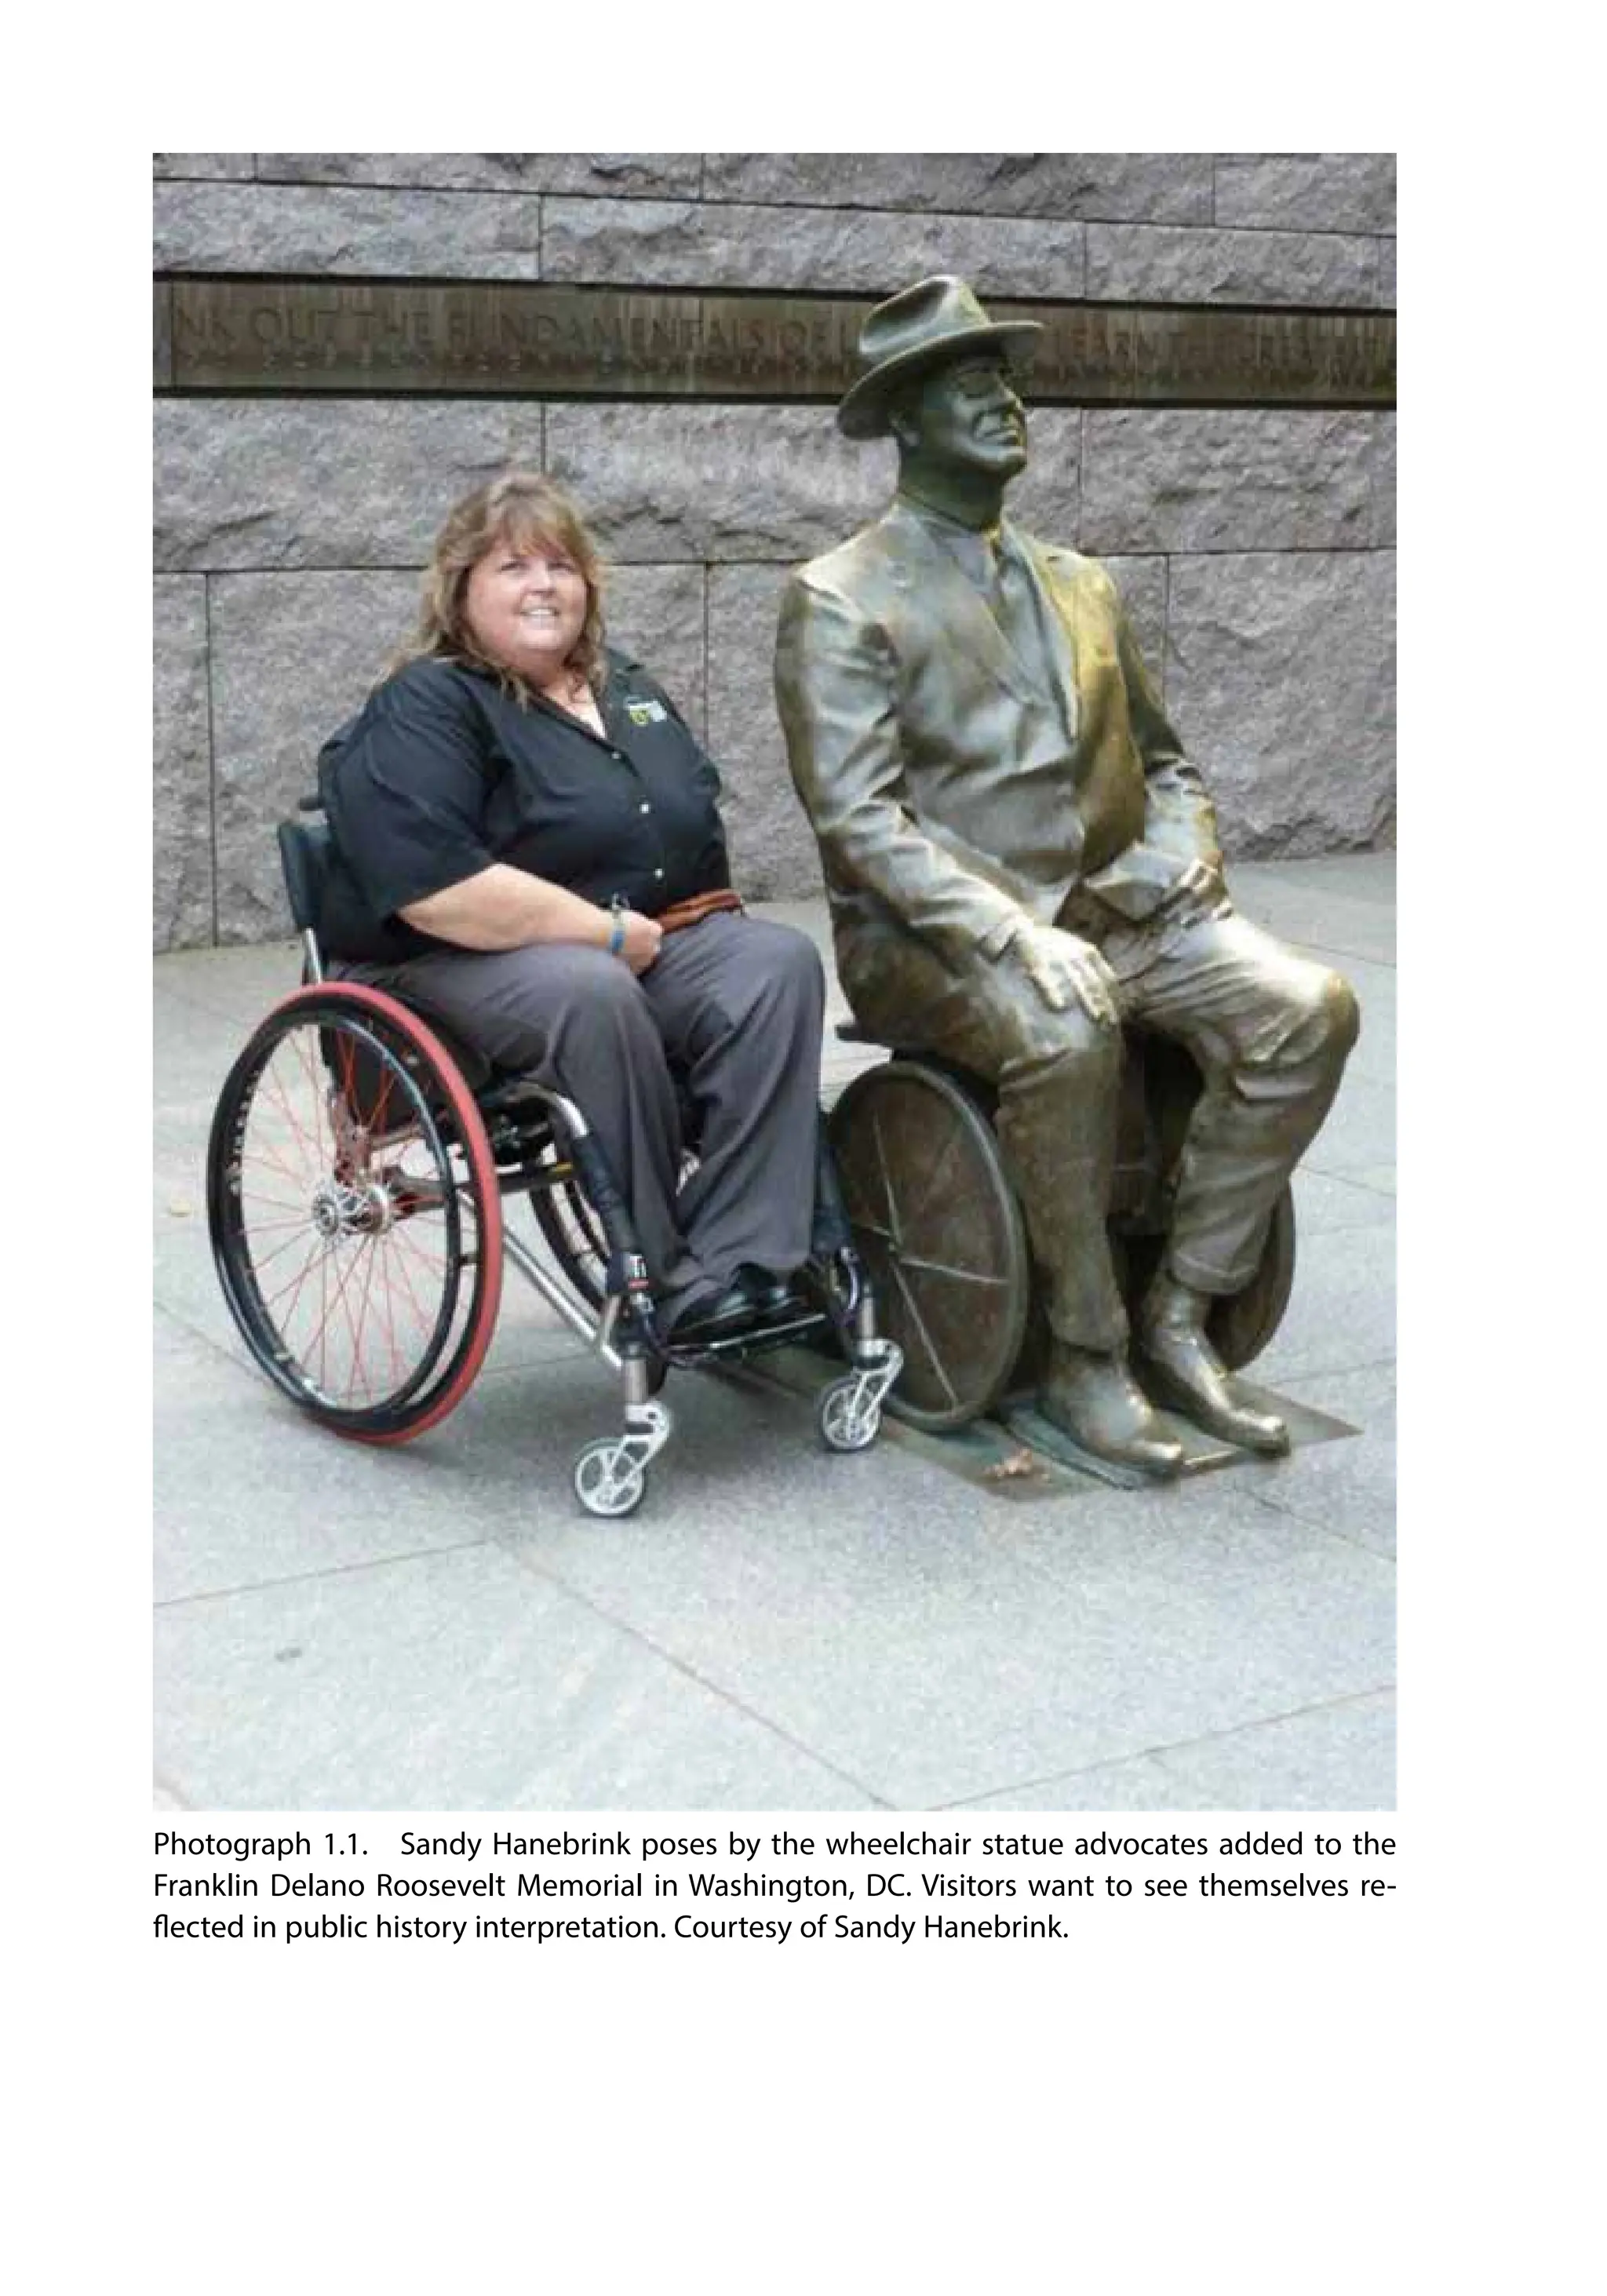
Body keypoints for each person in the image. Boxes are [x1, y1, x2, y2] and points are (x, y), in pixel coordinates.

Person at [774, 276, 1360, 1474]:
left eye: (1006, 378)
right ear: (907, 420)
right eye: (968, 384)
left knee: (1311, 1011)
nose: (1004, 400)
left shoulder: (1082, 580)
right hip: (939, 940)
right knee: (1065, 1033)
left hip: (1129, 912)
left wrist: (1187, 860)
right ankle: (1086, 1359)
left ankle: (1183, 1314)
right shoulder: (839, 597)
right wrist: (1012, 932)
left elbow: (1167, 759)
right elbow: (858, 822)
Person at [317, 471, 825, 1339]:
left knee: (774, 965)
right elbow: (441, 890)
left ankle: (742, 1257)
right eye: (513, 566)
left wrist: (664, 935)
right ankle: (664, 1282)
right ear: (461, 588)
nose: (543, 585)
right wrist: (603, 933)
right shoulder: (430, 702)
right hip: (449, 963)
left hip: (634, 942)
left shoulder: (623, 686)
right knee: (590, 994)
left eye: (561, 564)